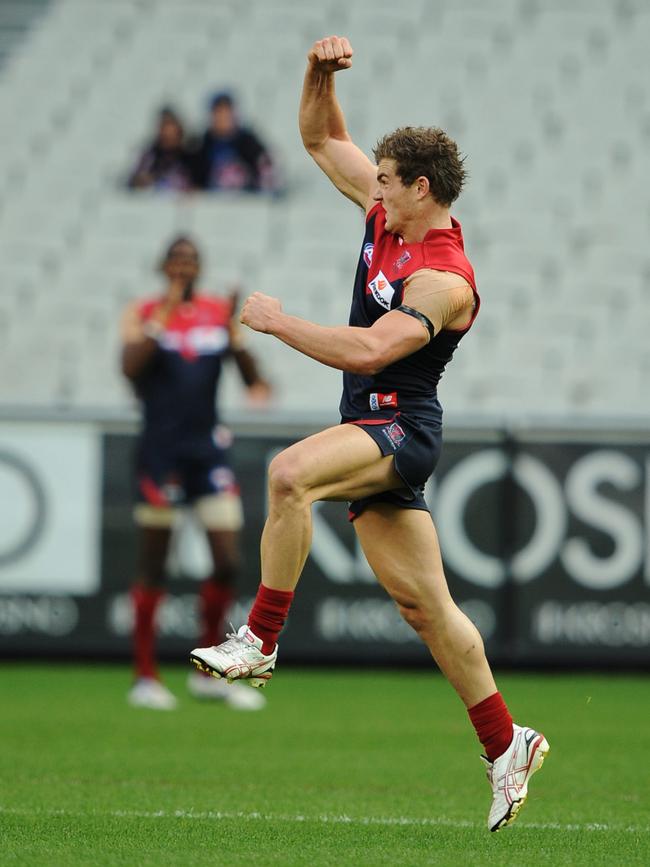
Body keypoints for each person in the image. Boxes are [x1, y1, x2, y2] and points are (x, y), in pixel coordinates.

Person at [190, 37, 549, 830]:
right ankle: (507, 743)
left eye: (385, 180)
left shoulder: (444, 278)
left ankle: (261, 639)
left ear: (422, 189)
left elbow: (374, 348)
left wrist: (280, 324)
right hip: (372, 420)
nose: (372, 189)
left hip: (400, 423)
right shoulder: (389, 212)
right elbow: (320, 138)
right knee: (427, 608)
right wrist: (316, 76)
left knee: (289, 475)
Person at [121, 235, 271, 711]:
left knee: (228, 559)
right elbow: (130, 369)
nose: (184, 267)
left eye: (191, 260)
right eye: (176, 259)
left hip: (207, 452)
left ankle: (207, 674)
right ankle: (145, 676)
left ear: (200, 266)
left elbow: (252, 379)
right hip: (161, 453)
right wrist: (163, 311)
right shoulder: (144, 311)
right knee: (156, 562)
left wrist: (236, 333)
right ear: (163, 266)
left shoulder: (213, 314)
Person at [192, 91, 279, 193]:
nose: (223, 117)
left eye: (227, 111)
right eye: (219, 112)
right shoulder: (202, 145)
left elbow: (267, 172)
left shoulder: (249, 142)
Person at [127, 107, 194, 192]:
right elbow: (132, 182)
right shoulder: (149, 157)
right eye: (164, 127)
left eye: (171, 127)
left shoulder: (191, 156)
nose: (168, 132)